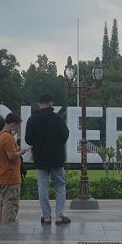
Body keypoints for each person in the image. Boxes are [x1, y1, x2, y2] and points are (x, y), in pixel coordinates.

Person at [24, 93, 71, 225]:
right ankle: (60, 216)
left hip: (40, 157)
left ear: (39, 103)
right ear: (51, 102)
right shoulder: (57, 118)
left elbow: (28, 139)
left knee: (43, 187)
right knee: (60, 186)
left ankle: (46, 216)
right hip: (56, 157)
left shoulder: (32, 119)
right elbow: (65, 135)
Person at [0, 113, 28, 222]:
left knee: (2, 203)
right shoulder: (8, 137)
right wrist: (21, 152)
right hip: (10, 177)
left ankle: (0, 227)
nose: (18, 130)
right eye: (18, 127)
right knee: (10, 205)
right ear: (13, 125)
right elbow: (11, 156)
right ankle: (8, 231)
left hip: (1, 175)